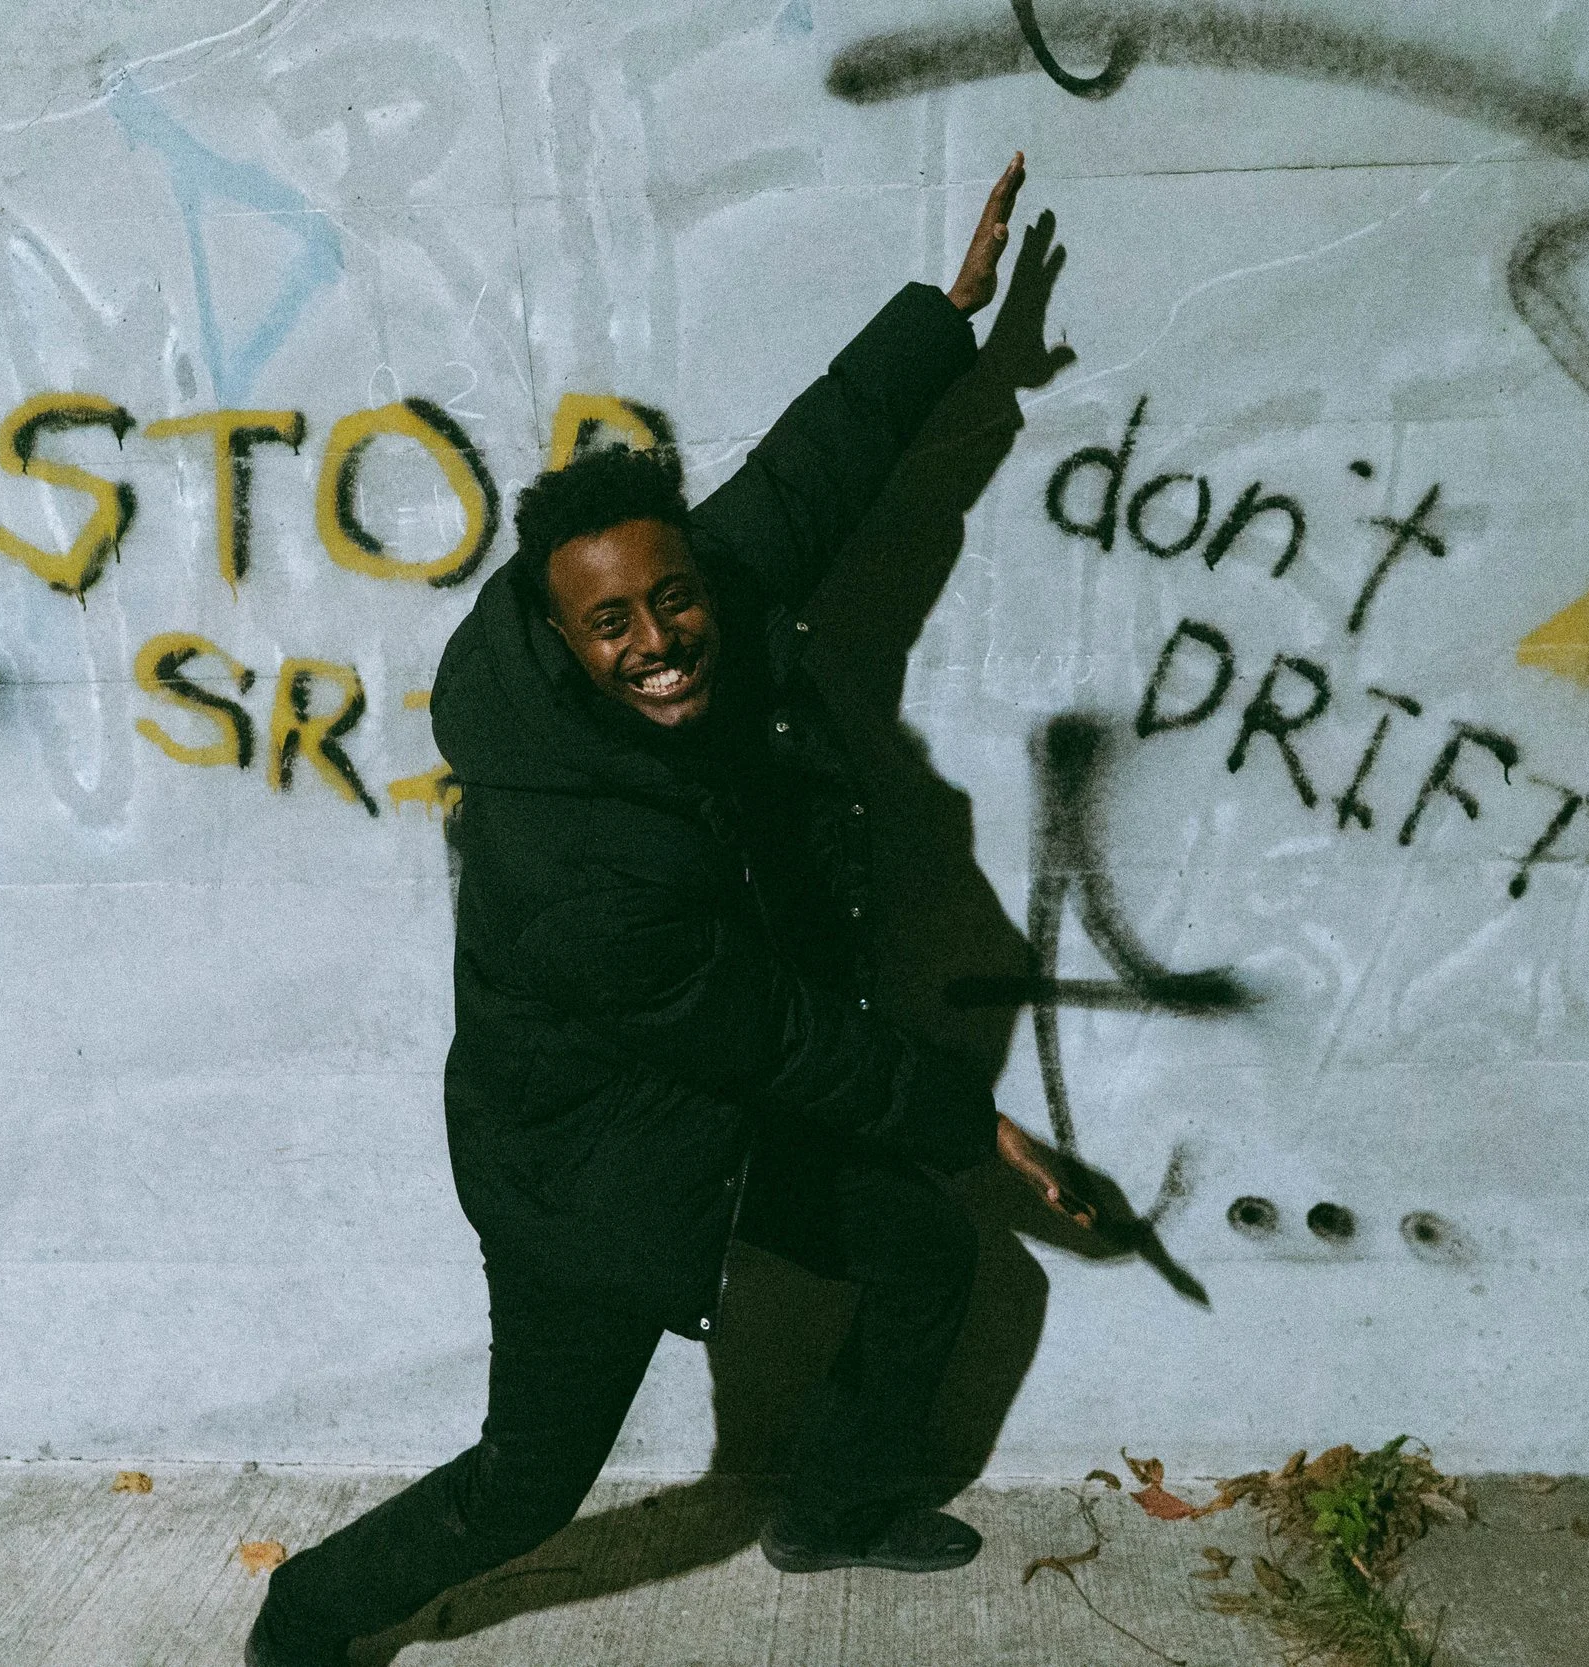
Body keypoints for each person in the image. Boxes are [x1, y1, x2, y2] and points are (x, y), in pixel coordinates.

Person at [247, 153, 1088, 1667]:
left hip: (716, 1106)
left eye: (673, 599)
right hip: (596, 1167)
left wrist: (942, 319)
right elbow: (779, 1039)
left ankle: (834, 1499)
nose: (663, 641)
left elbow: (809, 477)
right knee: (528, 1481)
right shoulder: (573, 860)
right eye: (615, 624)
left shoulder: (706, 590)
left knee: (925, 1253)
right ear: (562, 641)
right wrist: (977, 1126)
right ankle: (305, 1618)